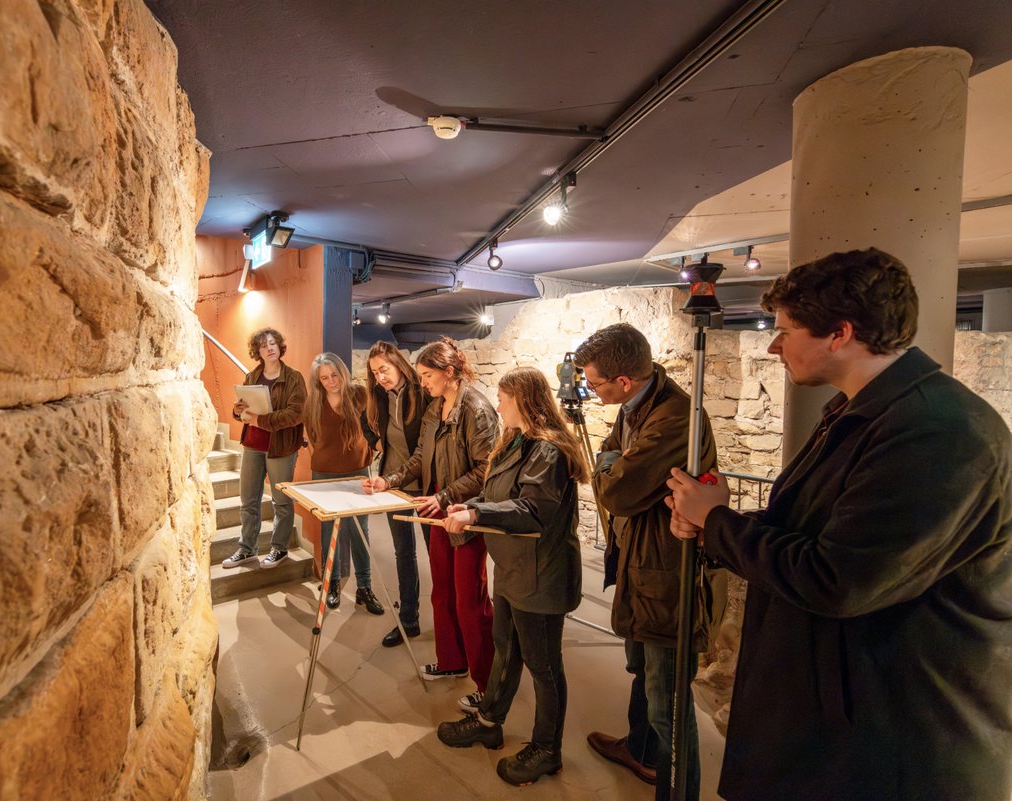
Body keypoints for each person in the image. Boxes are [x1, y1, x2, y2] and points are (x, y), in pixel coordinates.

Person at [666, 248, 1012, 801]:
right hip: (843, 716)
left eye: (785, 330)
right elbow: (819, 531)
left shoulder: (938, 431)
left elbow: (840, 578)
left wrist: (718, 524)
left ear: (839, 333)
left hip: (892, 737)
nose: (774, 345)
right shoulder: (865, 411)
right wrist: (714, 525)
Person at [574, 323, 717, 801]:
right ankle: (640, 751)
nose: (590, 391)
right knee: (642, 672)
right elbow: (613, 464)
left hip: (666, 573)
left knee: (668, 706)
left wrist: (613, 465)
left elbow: (616, 490)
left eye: (595, 383)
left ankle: (677, 792)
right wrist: (615, 460)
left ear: (624, 382)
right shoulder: (636, 407)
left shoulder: (675, 418)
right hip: (640, 564)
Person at [434, 367, 589, 786]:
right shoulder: (514, 441)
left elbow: (533, 509)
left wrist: (476, 513)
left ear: (522, 400)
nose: (497, 404)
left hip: (541, 573)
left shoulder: (548, 451)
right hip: (514, 567)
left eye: (503, 398)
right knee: (505, 650)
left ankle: (547, 749)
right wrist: (467, 504)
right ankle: (489, 721)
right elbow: (498, 492)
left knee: (543, 665)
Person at [363, 337, 498, 694]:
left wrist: (446, 495)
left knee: (470, 600)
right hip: (439, 506)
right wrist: (387, 480)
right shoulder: (435, 408)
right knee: (443, 593)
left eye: (427, 376)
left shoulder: (476, 409)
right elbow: (420, 456)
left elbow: (487, 469)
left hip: (463, 512)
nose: (422, 383)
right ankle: (452, 661)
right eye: (421, 376)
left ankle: (487, 684)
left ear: (449, 373)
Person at [365, 341, 433, 647]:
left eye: (384, 369)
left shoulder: (422, 393)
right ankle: (409, 618)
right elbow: (365, 425)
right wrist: (376, 446)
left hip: (427, 485)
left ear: (398, 365)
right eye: (375, 372)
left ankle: (450, 619)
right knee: (404, 553)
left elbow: (427, 445)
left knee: (438, 553)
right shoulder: (379, 395)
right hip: (394, 486)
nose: (380, 377)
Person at [221, 327, 306, 569]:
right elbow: (245, 410)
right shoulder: (252, 376)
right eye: (263, 345)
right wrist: (237, 412)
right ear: (258, 351)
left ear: (280, 347)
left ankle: (279, 549)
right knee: (248, 500)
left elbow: (296, 414)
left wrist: (261, 420)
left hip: (281, 447)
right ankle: (247, 549)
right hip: (252, 445)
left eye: (272, 343)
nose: (269, 348)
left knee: (281, 501)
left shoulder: (293, 377)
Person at [305, 352, 383, 615]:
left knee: (360, 532)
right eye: (324, 378)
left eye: (334, 375)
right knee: (329, 533)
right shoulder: (314, 402)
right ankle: (333, 584)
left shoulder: (359, 395)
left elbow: (373, 427)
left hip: (357, 472)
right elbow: (313, 438)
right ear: (318, 381)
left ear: (342, 372)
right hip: (324, 475)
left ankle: (364, 586)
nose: (330, 382)